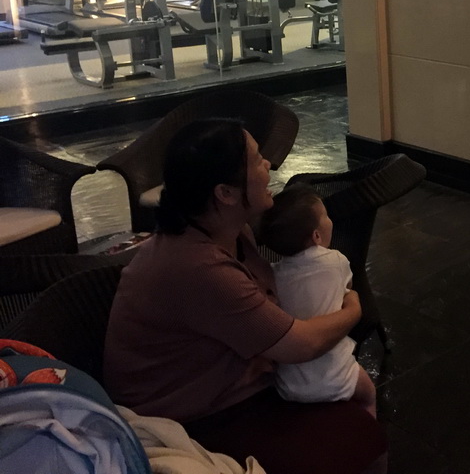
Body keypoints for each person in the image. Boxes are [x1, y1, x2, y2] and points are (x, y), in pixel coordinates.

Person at [103, 119, 387, 474]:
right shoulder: (199, 266)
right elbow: (301, 345)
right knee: (361, 437)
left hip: (222, 384)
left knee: (360, 427)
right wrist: (353, 308)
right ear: (226, 193)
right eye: (256, 160)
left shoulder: (228, 233)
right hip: (190, 416)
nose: (268, 163)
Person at [258, 184, 377, 417]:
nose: (330, 219)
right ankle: (372, 438)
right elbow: (348, 289)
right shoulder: (336, 260)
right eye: (326, 216)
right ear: (317, 236)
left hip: (289, 385)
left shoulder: (273, 274)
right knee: (369, 394)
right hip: (337, 374)